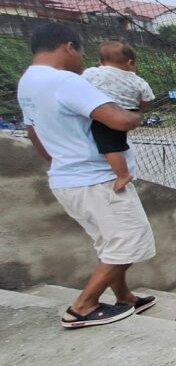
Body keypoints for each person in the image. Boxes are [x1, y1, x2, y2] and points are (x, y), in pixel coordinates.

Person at [17, 23, 156, 329]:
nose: (82, 61)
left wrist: (64, 158)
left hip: (67, 180)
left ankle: (125, 297)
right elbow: (119, 120)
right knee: (130, 241)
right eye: (81, 53)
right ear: (69, 47)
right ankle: (83, 306)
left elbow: (34, 134)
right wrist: (135, 116)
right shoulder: (65, 81)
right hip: (97, 180)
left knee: (109, 243)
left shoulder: (27, 82)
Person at [82, 41, 155, 193]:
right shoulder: (138, 81)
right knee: (117, 144)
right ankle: (124, 173)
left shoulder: (92, 72)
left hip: (104, 113)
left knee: (110, 147)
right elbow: (148, 100)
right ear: (131, 62)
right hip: (129, 111)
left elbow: (79, 86)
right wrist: (138, 109)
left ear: (100, 62)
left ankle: (122, 175)